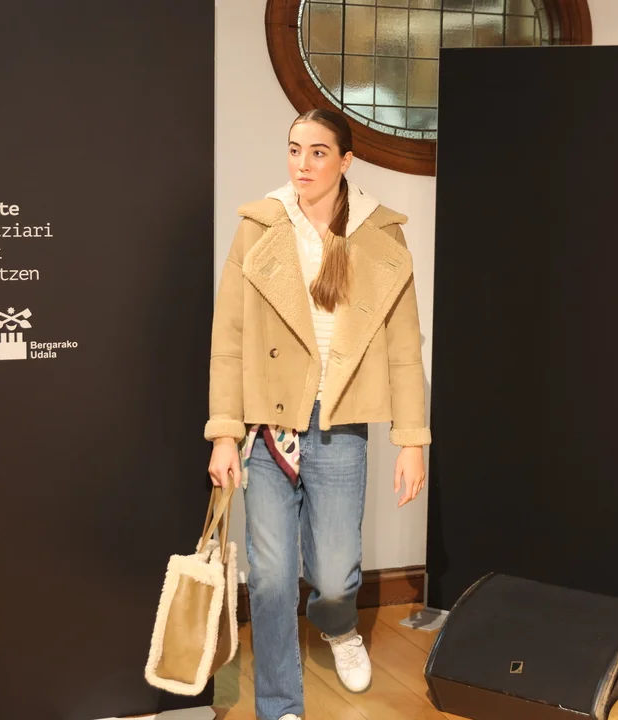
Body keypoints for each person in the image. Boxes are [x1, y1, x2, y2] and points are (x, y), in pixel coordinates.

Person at [204, 107, 431, 720]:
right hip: (266, 423)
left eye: (318, 152)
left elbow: (404, 348)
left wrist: (412, 440)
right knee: (271, 575)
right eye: (294, 149)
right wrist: (224, 432)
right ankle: (281, 705)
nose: (302, 164)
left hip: (340, 419)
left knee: (333, 574)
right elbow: (228, 339)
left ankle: (336, 624)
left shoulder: (381, 234)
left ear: (346, 160)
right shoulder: (259, 226)